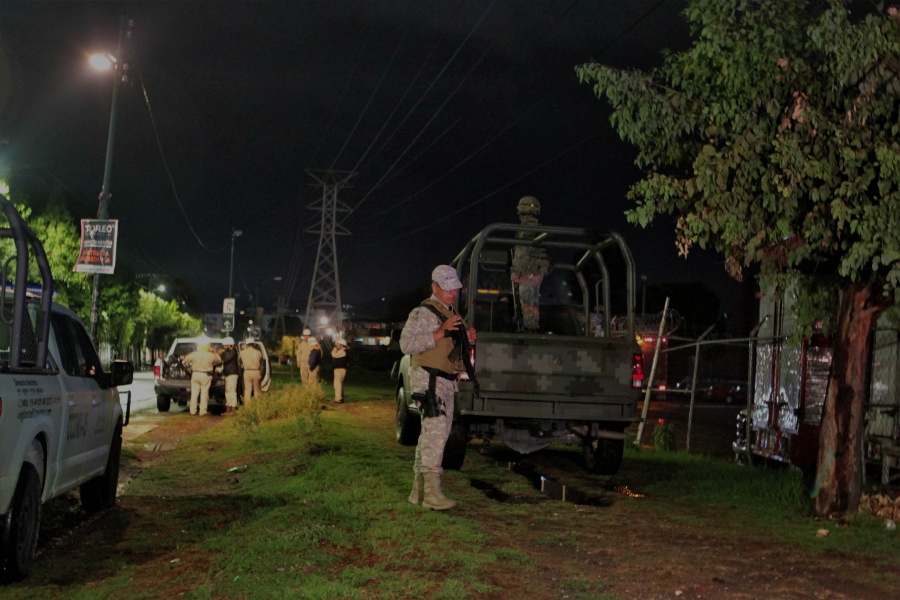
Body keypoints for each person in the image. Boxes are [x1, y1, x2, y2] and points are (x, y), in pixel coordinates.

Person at [400, 265, 476, 511]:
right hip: (430, 379)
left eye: (454, 288)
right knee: (436, 432)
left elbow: (450, 347)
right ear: (434, 287)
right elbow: (406, 344)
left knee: (433, 436)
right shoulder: (423, 313)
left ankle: (418, 492)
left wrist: (467, 337)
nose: (452, 292)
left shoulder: (450, 312)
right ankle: (432, 494)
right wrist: (439, 333)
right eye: (447, 288)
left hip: (446, 381)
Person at [510, 195, 550, 332]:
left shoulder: (526, 229)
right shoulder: (537, 228)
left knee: (527, 302)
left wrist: (515, 272)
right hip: (536, 270)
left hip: (529, 270)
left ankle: (530, 328)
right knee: (531, 301)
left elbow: (522, 252)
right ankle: (531, 327)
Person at [182, 342, 223, 416]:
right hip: (206, 375)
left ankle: (193, 411)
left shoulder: (194, 354)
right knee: (204, 393)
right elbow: (219, 360)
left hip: (195, 374)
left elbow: (185, 360)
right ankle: (202, 411)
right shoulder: (211, 355)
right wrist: (215, 353)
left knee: (194, 394)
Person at [219, 337, 241, 415]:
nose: (224, 347)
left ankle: (232, 409)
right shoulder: (229, 352)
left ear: (229, 345)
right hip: (229, 374)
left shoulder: (233, 352)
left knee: (231, 392)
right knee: (228, 392)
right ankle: (229, 409)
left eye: (225, 345)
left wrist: (220, 354)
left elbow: (225, 360)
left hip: (232, 374)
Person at [240, 338, 264, 404]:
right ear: (253, 344)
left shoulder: (242, 353)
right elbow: (261, 360)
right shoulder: (258, 352)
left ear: (246, 344)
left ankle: (247, 408)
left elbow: (240, 362)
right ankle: (257, 407)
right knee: (257, 391)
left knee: (247, 390)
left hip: (247, 372)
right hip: (256, 371)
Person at [331, 338, 349, 403]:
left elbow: (334, 355)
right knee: (339, 384)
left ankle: (338, 399)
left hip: (339, 370)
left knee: (337, 384)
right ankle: (341, 398)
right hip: (340, 369)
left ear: (341, 345)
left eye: (338, 344)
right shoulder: (343, 351)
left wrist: (334, 350)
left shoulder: (342, 352)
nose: (336, 346)